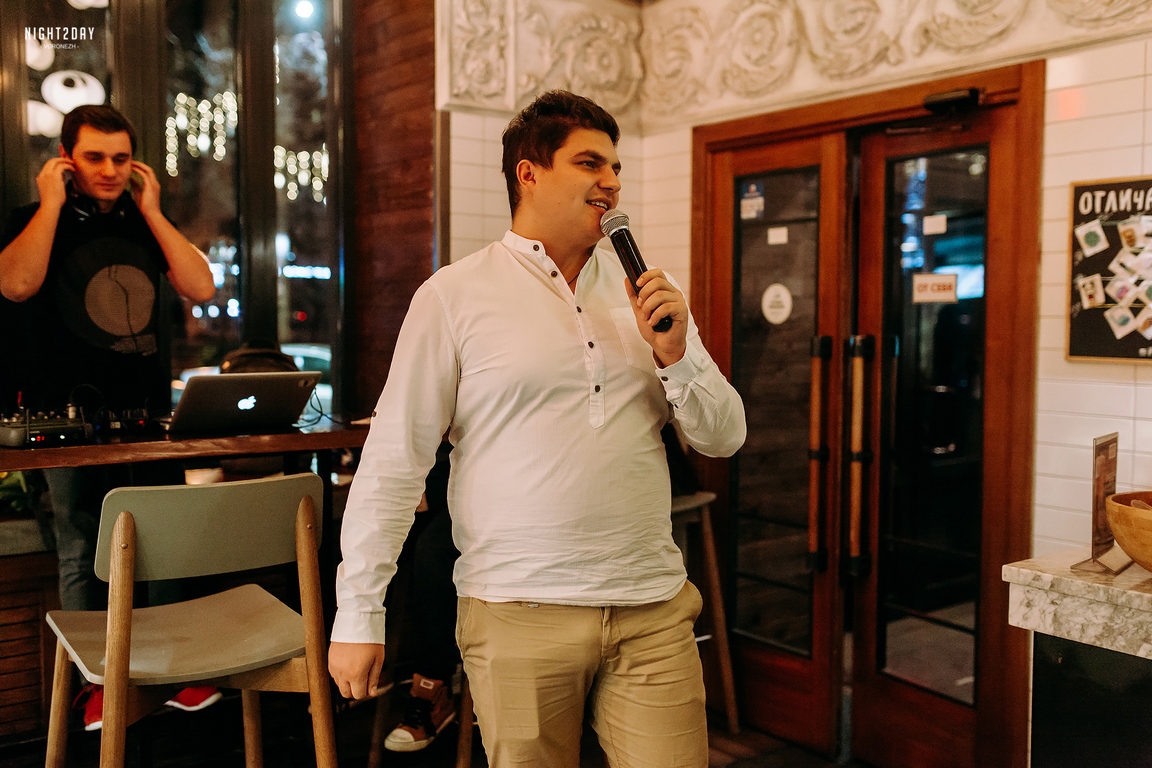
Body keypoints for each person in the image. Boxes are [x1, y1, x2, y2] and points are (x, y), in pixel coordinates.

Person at [329, 89, 746, 768]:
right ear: (529, 172)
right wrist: (358, 614)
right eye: (590, 163)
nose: (611, 181)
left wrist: (677, 356)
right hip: (515, 611)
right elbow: (393, 463)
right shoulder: (453, 296)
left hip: (652, 608)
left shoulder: (646, 294)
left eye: (616, 167)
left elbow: (723, 437)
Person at [0, 104, 219, 730]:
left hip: (145, 417)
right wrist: (50, 204)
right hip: (66, 424)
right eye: (94, 157)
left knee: (164, 540)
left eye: (121, 158)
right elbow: (16, 285)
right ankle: (96, 684)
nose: (110, 170)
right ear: (67, 159)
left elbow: (201, 287)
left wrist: (153, 212)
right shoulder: (32, 219)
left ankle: (171, 671)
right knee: (81, 548)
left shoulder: (144, 222)